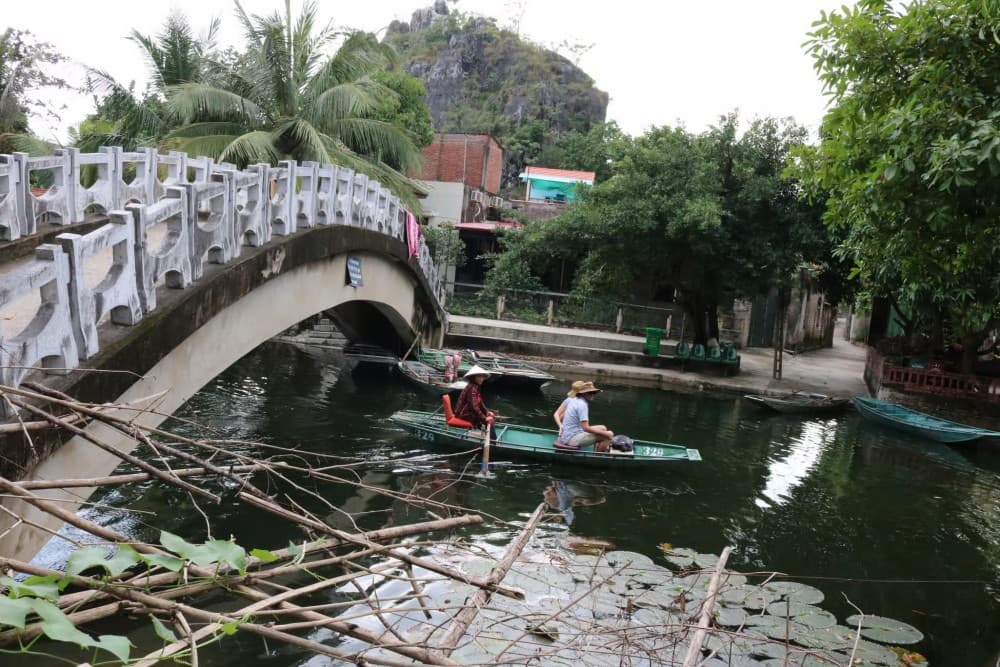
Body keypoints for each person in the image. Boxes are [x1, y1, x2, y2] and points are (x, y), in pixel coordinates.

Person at [558, 380, 613, 452]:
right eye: (590, 393)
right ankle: (597, 457)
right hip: (571, 438)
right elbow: (586, 428)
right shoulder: (582, 405)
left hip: (568, 434)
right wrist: (607, 434)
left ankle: (597, 449)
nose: (592, 395)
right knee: (607, 436)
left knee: (603, 428)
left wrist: (603, 432)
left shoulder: (575, 399)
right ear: (583, 393)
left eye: (594, 393)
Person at [454, 365, 497, 440]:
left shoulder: (475, 386)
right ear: (474, 377)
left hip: (469, 412)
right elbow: (474, 406)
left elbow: (480, 402)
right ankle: (493, 442)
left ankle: (487, 437)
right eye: (479, 377)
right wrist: (484, 418)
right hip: (464, 414)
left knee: (489, 417)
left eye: (482, 377)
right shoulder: (472, 388)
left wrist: (487, 412)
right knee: (490, 422)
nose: (481, 379)